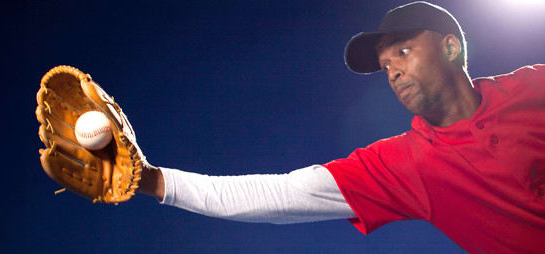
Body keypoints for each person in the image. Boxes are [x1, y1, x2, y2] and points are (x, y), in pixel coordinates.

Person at [137, 2, 545, 253]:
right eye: (386, 65)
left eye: (403, 52)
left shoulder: (533, 86)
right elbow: (278, 194)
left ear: (450, 47)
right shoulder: (403, 165)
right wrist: (151, 179)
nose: (394, 72)